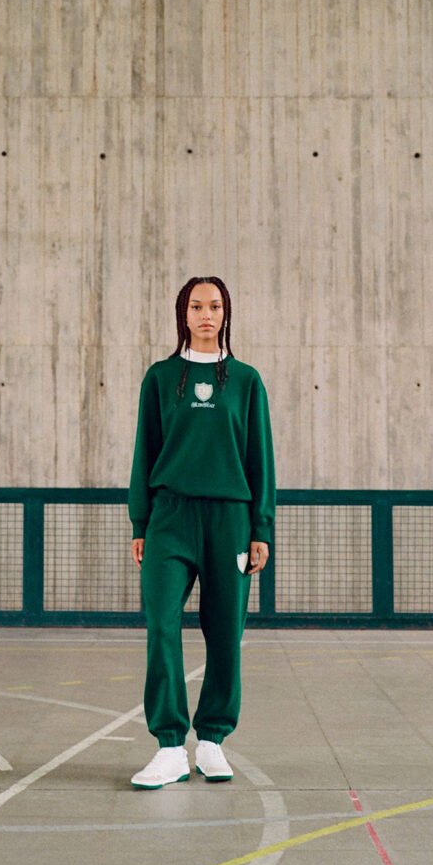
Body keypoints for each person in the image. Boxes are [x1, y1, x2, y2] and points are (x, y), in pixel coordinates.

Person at [128, 276, 276, 789]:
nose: (206, 314)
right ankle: (170, 745)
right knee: (162, 625)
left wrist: (261, 527)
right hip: (170, 517)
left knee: (225, 633)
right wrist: (140, 521)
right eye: (197, 306)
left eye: (215, 305)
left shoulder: (247, 380)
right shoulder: (161, 378)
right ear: (183, 314)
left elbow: (261, 459)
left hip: (230, 519)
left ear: (226, 312)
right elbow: (144, 451)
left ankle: (211, 739)